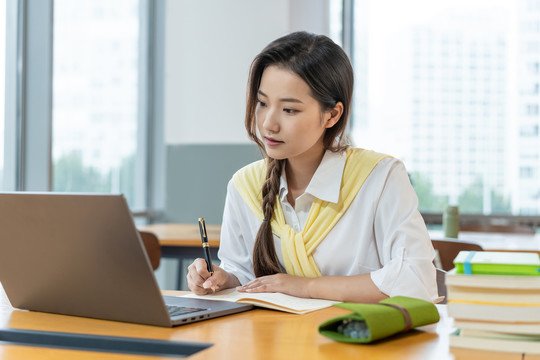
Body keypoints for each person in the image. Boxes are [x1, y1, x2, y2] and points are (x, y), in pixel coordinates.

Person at [187, 31, 438, 303]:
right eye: (262, 103)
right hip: (272, 340)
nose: (268, 123)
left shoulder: (380, 178)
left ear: (332, 114)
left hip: (360, 339)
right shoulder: (245, 185)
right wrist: (222, 279)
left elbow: (417, 281)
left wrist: (306, 287)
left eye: (289, 110)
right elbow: (244, 273)